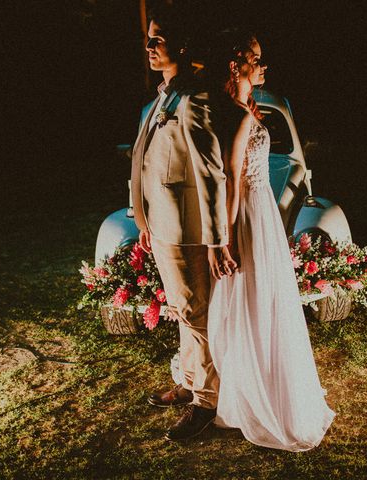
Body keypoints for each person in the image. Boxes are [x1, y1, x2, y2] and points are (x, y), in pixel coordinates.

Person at [206, 31, 335, 451]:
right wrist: (223, 239)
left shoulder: (243, 109)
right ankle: (260, 391)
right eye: (256, 58)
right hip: (248, 215)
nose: (263, 65)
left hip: (259, 213)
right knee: (255, 296)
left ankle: (264, 381)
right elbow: (230, 181)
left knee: (261, 298)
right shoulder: (237, 115)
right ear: (235, 64)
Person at [131, 3, 236, 441]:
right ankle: (190, 380)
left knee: (197, 315)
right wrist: (144, 218)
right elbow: (145, 162)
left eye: (160, 38)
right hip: (162, 224)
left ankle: (208, 403)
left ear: (183, 45)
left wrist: (216, 239)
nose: (150, 45)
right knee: (183, 312)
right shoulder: (164, 96)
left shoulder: (196, 96)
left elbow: (211, 173)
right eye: (149, 38)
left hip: (189, 229)